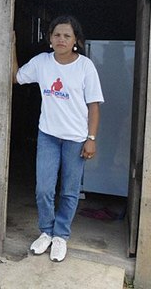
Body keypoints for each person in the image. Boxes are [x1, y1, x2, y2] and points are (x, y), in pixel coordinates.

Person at [12, 15, 104, 262]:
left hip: (76, 138)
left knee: (69, 191)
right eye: (57, 35)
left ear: (76, 40)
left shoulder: (85, 66)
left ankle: (61, 236)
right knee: (44, 188)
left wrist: (91, 138)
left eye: (67, 35)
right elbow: (16, 77)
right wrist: (11, 45)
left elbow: (94, 106)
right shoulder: (42, 62)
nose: (61, 39)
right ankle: (46, 231)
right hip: (48, 136)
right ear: (50, 39)